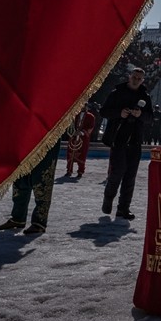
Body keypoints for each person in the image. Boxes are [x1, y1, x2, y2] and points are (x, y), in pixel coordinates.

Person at [100, 65, 153, 221]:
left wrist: (140, 114)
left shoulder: (145, 96)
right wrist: (119, 113)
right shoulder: (117, 93)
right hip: (118, 139)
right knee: (117, 172)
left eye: (139, 78)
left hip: (135, 140)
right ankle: (108, 199)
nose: (136, 80)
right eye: (134, 77)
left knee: (130, 176)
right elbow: (103, 112)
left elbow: (150, 118)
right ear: (129, 76)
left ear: (142, 80)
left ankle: (123, 209)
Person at [0, 137, 62, 235]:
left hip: (47, 136)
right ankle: (18, 218)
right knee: (20, 177)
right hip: (26, 135)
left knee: (42, 178)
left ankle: (39, 222)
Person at [65, 104, 97, 178]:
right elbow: (70, 124)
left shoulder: (91, 116)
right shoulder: (74, 114)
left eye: (84, 105)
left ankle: (80, 171)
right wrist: (73, 132)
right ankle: (69, 170)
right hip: (73, 137)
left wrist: (82, 132)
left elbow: (91, 127)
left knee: (82, 154)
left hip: (83, 138)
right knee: (70, 153)